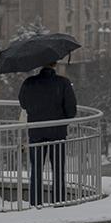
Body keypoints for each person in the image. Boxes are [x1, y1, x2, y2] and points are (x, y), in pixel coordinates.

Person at [18, 61, 78, 206]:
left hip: (36, 132)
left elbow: (23, 103)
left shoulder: (29, 83)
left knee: (36, 170)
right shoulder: (63, 83)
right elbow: (71, 110)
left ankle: (36, 203)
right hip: (57, 132)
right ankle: (58, 201)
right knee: (58, 170)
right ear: (55, 64)